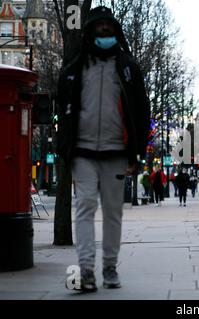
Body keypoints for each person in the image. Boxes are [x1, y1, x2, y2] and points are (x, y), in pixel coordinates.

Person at [56, 6, 149, 292]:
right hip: (82, 151)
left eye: (109, 26)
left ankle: (110, 268)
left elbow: (141, 111)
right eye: (100, 26)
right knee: (84, 207)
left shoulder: (128, 68)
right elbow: (63, 109)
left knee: (112, 212)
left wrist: (137, 152)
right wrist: (64, 148)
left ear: (115, 29)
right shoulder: (74, 69)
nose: (105, 30)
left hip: (116, 151)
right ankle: (85, 270)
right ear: (91, 30)